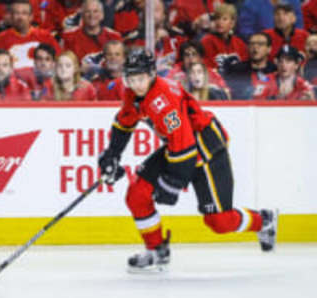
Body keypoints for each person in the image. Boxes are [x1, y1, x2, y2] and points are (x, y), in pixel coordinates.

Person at [98, 48, 278, 272]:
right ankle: (156, 250)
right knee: (137, 194)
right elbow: (125, 122)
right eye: (131, 78)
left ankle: (264, 220)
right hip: (179, 149)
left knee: (219, 222)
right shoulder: (133, 94)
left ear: (152, 74)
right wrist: (112, 155)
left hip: (206, 150)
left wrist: (171, 183)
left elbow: (185, 147)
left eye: (140, 78)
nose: (136, 84)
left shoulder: (164, 100)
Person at [0, 0, 61, 70]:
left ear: (31, 17)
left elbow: (59, 59)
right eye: (17, 13)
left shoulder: (46, 37)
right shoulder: (0, 39)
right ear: (11, 16)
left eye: (24, 13)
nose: (20, 17)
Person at [61, 0, 122, 64]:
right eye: (88, 12)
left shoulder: (114, 37)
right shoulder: (69, 37)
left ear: (102, 15)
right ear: (82, 15)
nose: (92, 15)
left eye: (95, 11)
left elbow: (120, 64)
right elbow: (64, 63)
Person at [222, 32, 277, 100]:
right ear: (247, 47)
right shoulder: (236, 70)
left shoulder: (275, 71)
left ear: (269, 49)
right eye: (252, 44)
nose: (255, 47)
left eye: (260, 44)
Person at [200, 3, 248, 70]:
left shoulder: (239, 43)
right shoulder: (206, 41)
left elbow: (245, 65)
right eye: (217, 18)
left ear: (232, 23)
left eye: (224, 19)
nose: (220, 22)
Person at [237, 0, 304, 42]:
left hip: (290, 42)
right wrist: (259, 41)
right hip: (261, 45)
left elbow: (299, 25)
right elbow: (245, 29)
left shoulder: (294, 1)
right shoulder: (251, 3)